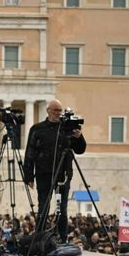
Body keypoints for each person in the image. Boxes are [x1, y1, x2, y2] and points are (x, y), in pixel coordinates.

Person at [23, 99, 86, 242]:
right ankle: (39, 238)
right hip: (43, 173)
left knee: (62, 209)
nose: (58, 113)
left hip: (63, 174)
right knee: (43, 206)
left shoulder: (67, 128)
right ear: (48, 110)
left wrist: (79, 137)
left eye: (60, 110)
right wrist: (28, 176)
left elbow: (80, 149)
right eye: (55, 110)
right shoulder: (37, 129)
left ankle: (62, 238)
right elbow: (30, 153)